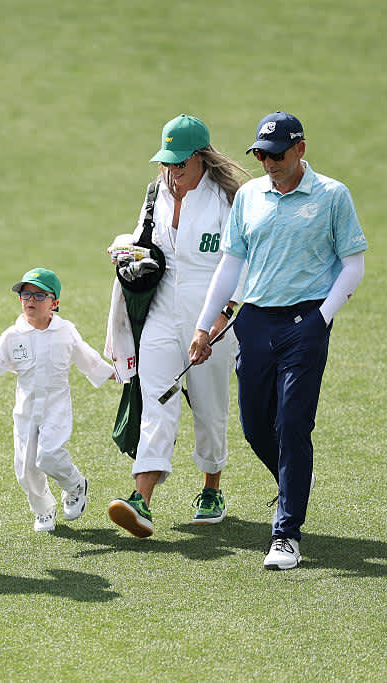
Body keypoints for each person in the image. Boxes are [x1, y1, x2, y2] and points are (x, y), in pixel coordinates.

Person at [189, 112, 367, 570]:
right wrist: (204, 326)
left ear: (300, 149)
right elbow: (230, 266)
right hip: (254, 323)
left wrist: (321, 319)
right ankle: (295, 481)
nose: (268, 162)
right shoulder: (249, 197)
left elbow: (353, 264)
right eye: (261, 154)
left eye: (277, 154)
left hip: (305, 322)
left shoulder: (332, 196)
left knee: (292, 424)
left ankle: (286, 533)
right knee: (255, 426)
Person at [105, 114, 249, 538]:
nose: (173, 171)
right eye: (167, 163)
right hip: (162, 310)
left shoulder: (229, 199)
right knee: (156, 400)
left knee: (209, 405)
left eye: (180, 163)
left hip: (211, 313)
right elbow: (142, 239)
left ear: (201, 156)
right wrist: (128, 256)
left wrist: (222, 317)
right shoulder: (156, 193)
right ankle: (141, 501)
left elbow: (241, 261)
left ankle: (211, 488)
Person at [0, 268, 115, 533]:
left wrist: (117, 375)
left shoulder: (65, 331)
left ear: (55, 303)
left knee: (49, 456)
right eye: (25, 294)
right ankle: (43, 511)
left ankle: (75, 485)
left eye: (39, 295)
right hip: (26, 409)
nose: (30, 300)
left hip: (56, 406)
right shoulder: (13, 335)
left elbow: (89, 360)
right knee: (26, 469)